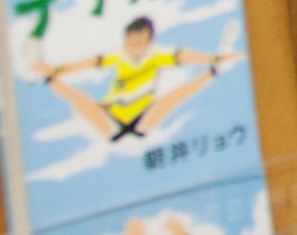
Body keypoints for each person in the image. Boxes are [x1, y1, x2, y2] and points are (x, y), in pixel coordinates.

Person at [39, 15, 232, 142]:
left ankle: (215, 70)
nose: (135, 46)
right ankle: (45, 75)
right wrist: (58, 70)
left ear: (150, 41)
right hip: (111, 117)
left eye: (140, 41)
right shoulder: (118, 56)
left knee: (173, 97)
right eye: (131, 41)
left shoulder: (157, 56)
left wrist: (213, 59)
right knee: (80, 99)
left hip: (143, 118)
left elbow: (184, 56)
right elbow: (90, 62)